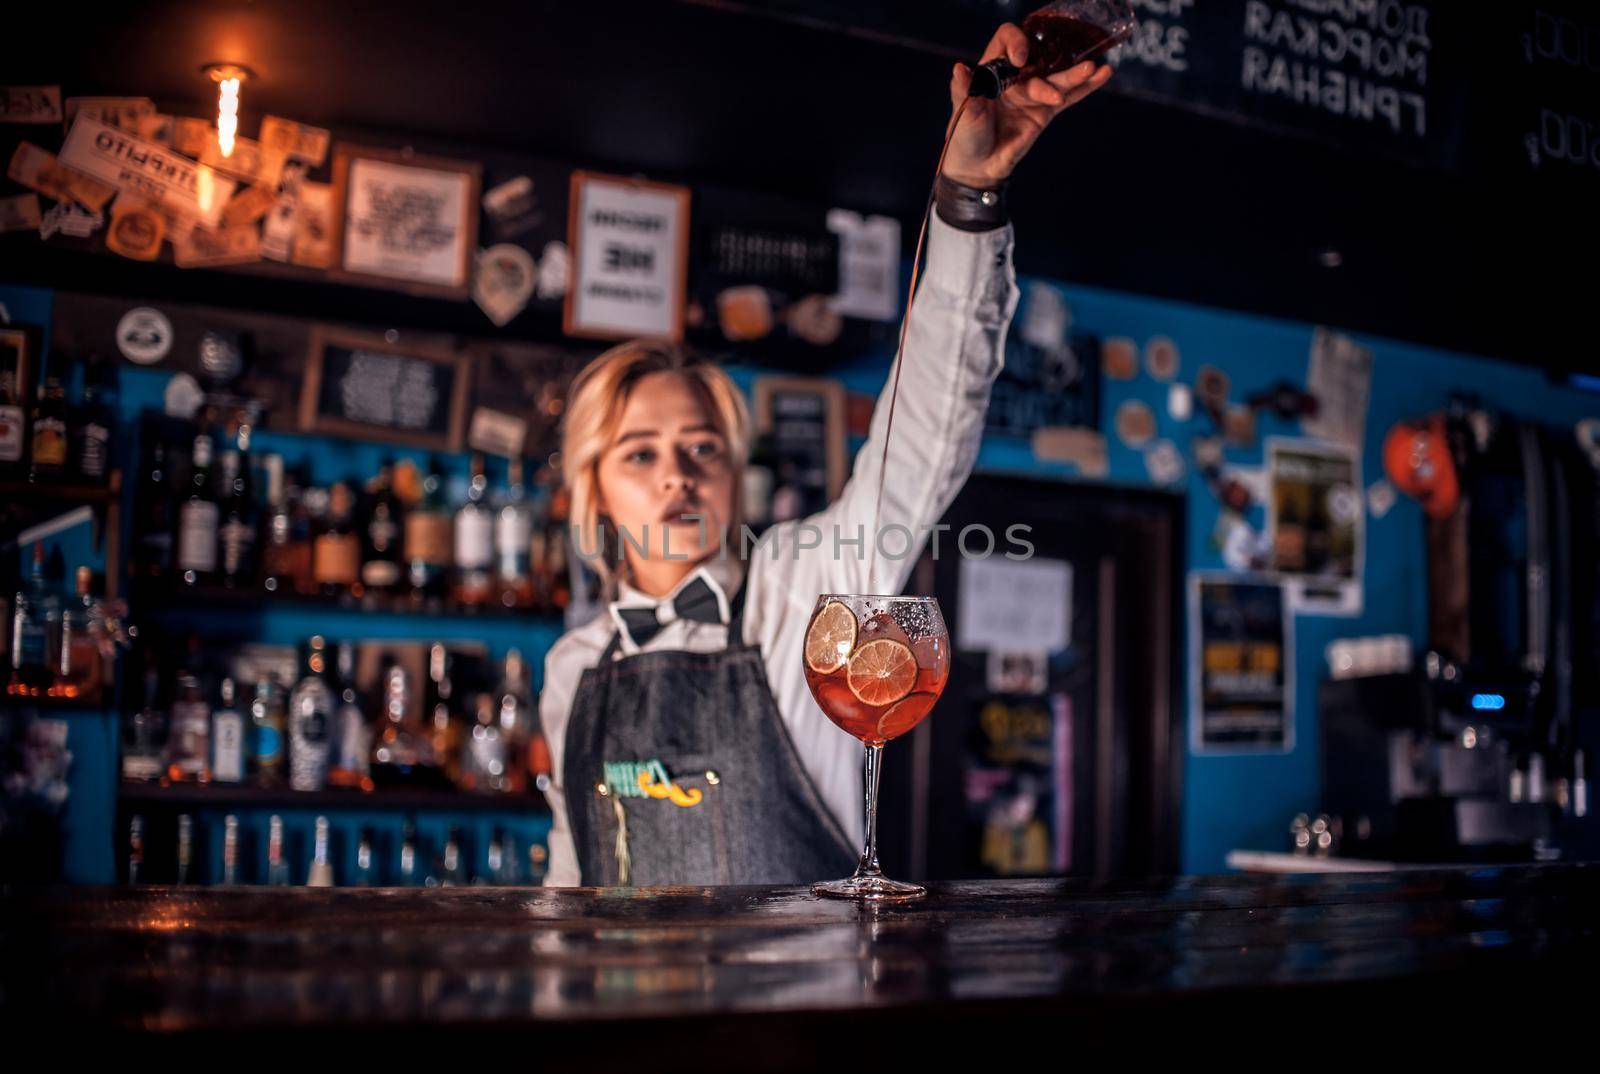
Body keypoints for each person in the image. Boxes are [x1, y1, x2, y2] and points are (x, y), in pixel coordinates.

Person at [539, 25, 1114, 886]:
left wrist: (966, 200)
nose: (676, 475)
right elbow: (568, 873)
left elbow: (921, 436)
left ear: (735, 470)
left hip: (800, 1016)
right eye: (639, 453)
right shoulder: (571, 670)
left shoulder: (802, 587)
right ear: (592, 492)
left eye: (702, 447)